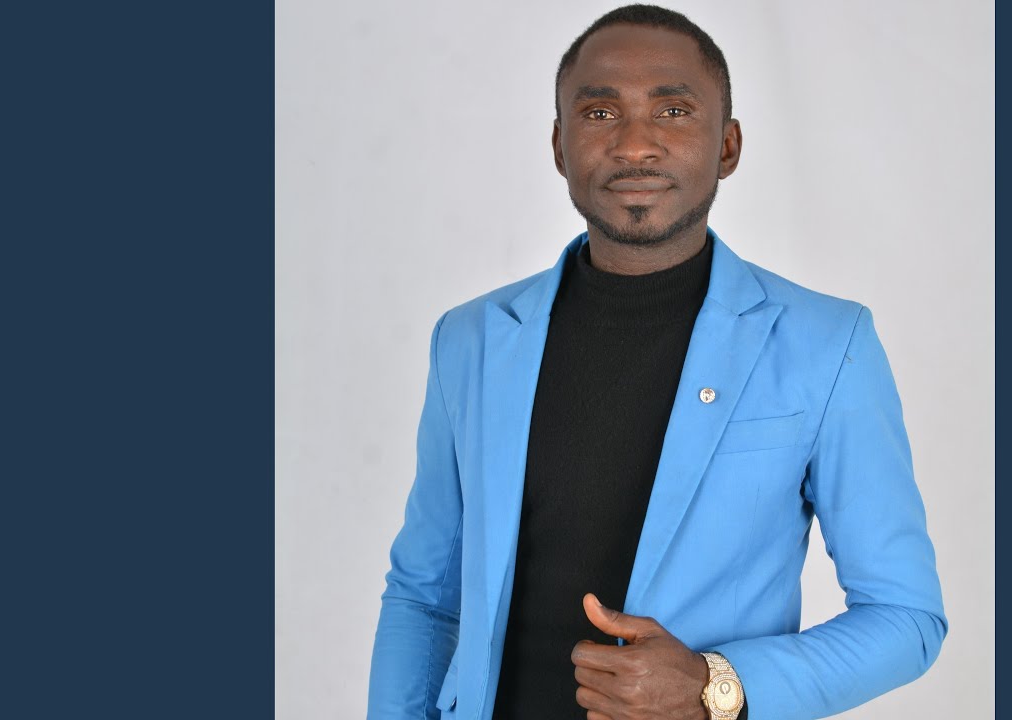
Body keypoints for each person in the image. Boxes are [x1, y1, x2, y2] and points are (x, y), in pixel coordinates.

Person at [367, 5, 947, 719]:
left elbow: (906, 617)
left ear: (727, 146)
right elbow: (425, 597)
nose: (635, 144)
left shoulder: (828, 344)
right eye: (600, 113)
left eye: (673, 110)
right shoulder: (472, 339)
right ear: (559, 145)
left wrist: (714, 684)